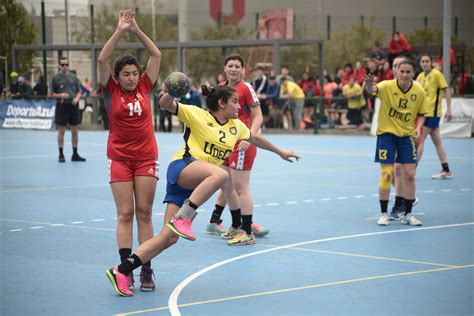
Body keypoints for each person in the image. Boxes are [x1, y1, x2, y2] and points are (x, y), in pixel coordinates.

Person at [106, 84, 300, 296]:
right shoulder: (197, 114)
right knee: (222, 175)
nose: (238, 106)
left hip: (196, 184)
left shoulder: (236, 127)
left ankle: (122, 270)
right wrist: (171, 91)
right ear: (221, 103)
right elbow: (165, 104)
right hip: (182, 167)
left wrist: (280, 151)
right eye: (235, 102)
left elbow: (256, 139)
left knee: (168, 237)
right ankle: (184, 219)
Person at [98, 9, 161, 292]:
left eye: (135, 73)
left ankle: (146, 268)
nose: (133, 78)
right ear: (117, 77)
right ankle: (125, 272)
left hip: (146, 157)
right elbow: (102, 58)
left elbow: (156, 55)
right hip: (120, 159)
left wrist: (136, 30)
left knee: (145, 213)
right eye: (127, 74)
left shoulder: (146, 86)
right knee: (125, 214)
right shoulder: (110, 91)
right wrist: (120, 30)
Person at [205, 54, 268, 244]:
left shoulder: (246, 88)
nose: (233, 69)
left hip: (241, 144)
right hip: (224, 143)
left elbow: (258, 116)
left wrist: (250, 137)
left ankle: (246, 229)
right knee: (225, 183)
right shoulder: (221, 89)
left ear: (243, 70)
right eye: (230, 65)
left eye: (237, 66)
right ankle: (224, 222)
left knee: (240, 187)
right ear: (224, 68)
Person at [364, 60, 428, 226]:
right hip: (386, 136)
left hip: (407, 137)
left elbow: (421, 114)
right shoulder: (386, 86)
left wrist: (418, 128)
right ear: (396, 72)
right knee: (387, 174)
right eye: (402, 71)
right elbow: (372, 90)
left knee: (410, 175)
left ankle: (408, 214)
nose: (405, 75)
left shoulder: (419, 91)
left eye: (408, 72)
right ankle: (384, 213)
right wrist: (369, 85)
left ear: (413, 73)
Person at [416, 54, 453, 179]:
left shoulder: (437, 74)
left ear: (431, 62)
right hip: (423, 113)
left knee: (420, 140)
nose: (425, 63)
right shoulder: (420, 77)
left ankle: (411, 169)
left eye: (427, 61)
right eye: (423, 61)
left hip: (432, 113)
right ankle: (446, 170)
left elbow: (446, 91)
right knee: (437, 142)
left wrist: (448, 108)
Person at [50, 57, 85, 162]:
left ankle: (75, 154)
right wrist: (61, 95)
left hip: (73, 106)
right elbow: (51, 94)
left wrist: (77, 98)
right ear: (59, 66)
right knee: (61, 131)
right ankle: (61, 154)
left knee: (75, 131)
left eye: (66, 64)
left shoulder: (73, 77)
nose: (65, 66)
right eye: (63, 64)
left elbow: (79, 91)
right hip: (62, 106)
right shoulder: (55, 78)